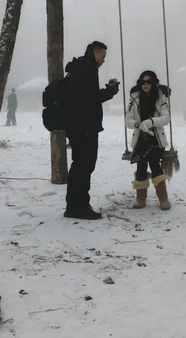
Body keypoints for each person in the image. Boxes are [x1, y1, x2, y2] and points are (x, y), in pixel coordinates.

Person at [62, 41, 119, 220]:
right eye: (102, 56)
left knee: (81, 165)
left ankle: (75, 205)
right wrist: (110, 91)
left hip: (80, 125)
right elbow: (89, 100)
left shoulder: (82, 68)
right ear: (95, 52)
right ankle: (78, 207)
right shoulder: (86, 69)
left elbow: (87, 97)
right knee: (84, 165)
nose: (103, 61)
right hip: (83, 126)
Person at [125, 71, 172, 210]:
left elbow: (166, 118)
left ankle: (163, 199)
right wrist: (138, 124)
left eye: (148, 82)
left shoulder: (160, 98)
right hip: (141, 139)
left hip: (155, 139)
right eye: (143, 82)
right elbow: (128, 120)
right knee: (140, 167)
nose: (145, 85)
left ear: (153, 83)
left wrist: (150, 122)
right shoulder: (134, 99)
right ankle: (140, 198)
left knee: (155, 165)